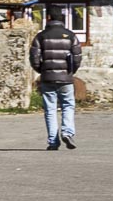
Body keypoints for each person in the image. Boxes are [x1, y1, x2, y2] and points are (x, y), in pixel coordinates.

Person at [29, 8, 82, 151]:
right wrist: (71, 72)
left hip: (47, 78)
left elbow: (34, 57)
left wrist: (42, 70)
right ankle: (67, 132)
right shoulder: (71, 36)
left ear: (49, 18)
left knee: (50, 109)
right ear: (62, 18)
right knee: (68, 106)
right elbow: (77, 57)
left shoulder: (41, 36)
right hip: (66, 78)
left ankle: (53, 142)